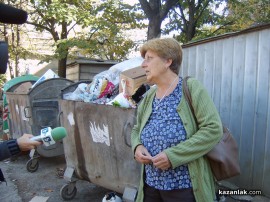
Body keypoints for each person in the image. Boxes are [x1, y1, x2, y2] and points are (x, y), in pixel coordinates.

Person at [131, 38, 223, 202]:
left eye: (149, 59)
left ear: (168, 61)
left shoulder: (191, 87)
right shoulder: (149, 95)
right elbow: (136, 129)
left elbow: (213, 129)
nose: (143, 65)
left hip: (184, 187)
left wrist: (173, 156)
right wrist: (137, 146)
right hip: (151, 184)